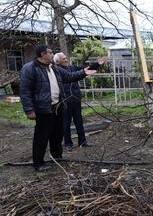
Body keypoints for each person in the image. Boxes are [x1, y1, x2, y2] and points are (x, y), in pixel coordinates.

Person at [19, 44, 97, 172]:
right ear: (43, 54)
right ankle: (38, 163)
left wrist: (84, 72)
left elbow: (69, 76)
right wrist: (29, 110)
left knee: (57, 134)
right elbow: (24, 91)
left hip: (58, 106)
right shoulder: (30, 69)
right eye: (50, 53)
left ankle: (57, 157)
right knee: (42, 136)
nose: (52, 55)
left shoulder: (54, 68)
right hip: (43, 108)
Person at [53, 53, 108, 151]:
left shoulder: (72, 68)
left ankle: (82, 142)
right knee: (66, 123)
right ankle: (68, 144)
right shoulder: (56, 71)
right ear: (58, 61)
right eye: (63, 59)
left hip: (76, 99)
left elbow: (85, 69)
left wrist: (98, 63)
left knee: (79, 122)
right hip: (65, 101)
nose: (66, 60)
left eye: (66, 58)